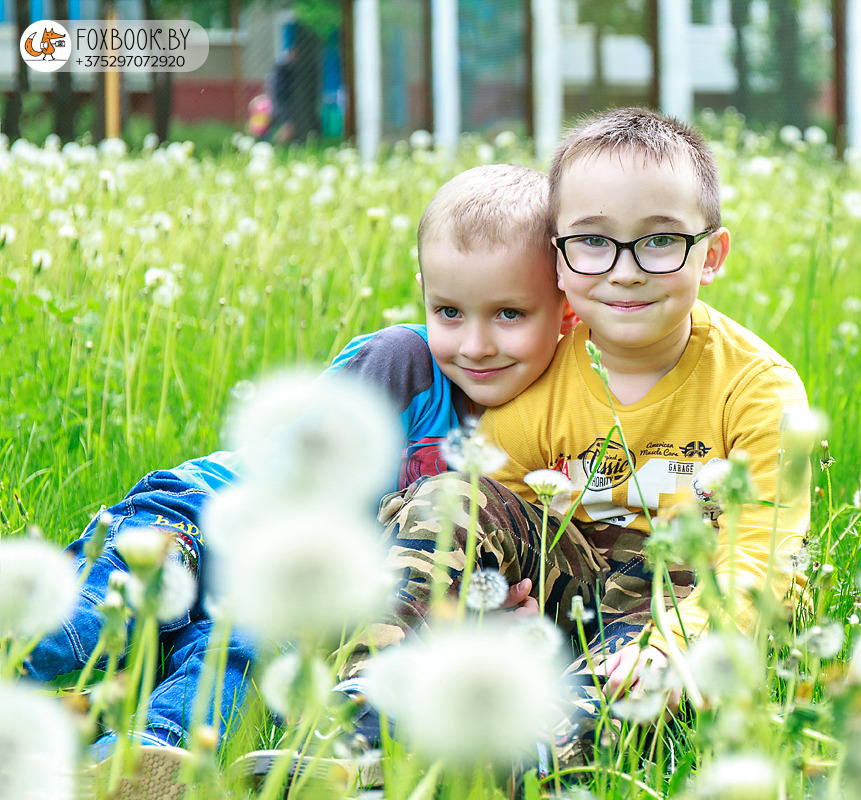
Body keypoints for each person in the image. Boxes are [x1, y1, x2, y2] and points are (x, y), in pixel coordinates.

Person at [23, 163, 572, 786]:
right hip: (205, 519)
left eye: (508, 314)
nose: (474, 344)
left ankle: (146, 760)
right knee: (83, 622)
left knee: (244, 657)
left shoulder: (557, 433)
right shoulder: (402, 364)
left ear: (567, 307)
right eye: (449, 311)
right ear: (423, 291)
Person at [355, 107, 812, 765]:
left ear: (710, 255)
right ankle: (363, 727)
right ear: (559, 263)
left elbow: (766, 560)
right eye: (594, 242)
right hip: (575, 586)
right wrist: (489, 600)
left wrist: (672, 646)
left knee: (624, 701)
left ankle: (507, 766)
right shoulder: (545, 378)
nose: (624, 270)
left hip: (686, 606)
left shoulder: (759, 389)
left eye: (659, 241)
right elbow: (490, 507)